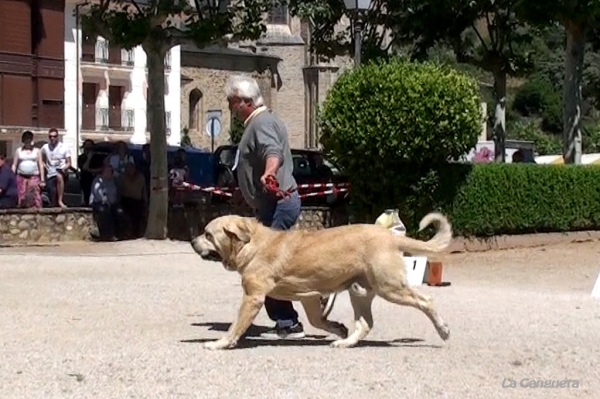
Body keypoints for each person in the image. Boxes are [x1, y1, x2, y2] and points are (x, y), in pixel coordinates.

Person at [225, 74, 333, 339]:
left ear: (245, 101)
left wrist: (269, 174)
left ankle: (288, 321)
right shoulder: (263, 120)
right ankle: (317, 293)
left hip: (280, 204)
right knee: (281, 264)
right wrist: (246, 193)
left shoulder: (261, 123)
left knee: (263, 265)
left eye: (232, 101)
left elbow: (272, 152)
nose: (230, 107)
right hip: (274, 204)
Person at [89, 164, 124, 241]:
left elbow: (115, 195)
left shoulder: (113, 181)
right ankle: (107, 235)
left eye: (110, 171)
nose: (109, 173)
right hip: (99, 202)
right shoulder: (98, 180)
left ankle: (119, 234)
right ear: (103, 172)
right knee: (104, 211)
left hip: (111, 203)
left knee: (119, 211)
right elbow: (98, 195)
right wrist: (107, 203)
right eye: (107, 171)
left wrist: (113, 203)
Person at [11, 130, 45, 208]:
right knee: (22, 194)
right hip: (21, 176)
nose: (28, 140)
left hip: (34, 176)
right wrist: (12, 176)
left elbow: (41, 165)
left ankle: (37, 210)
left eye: (29, 138)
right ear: (23, 140)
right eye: (26, 138)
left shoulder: (37, 151)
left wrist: (42, 179)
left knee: (35, 193)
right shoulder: (18, 151)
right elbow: (14, 165)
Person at [41, 128, 72, 208]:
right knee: (52, 190)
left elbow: (69, 162)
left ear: (57, 137)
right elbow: (40, 158)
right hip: (50, 172)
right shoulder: (45, 147)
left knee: (59, 176)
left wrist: (64, 168)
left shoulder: (64, 147)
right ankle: (52, 204)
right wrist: (44, 166)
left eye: (54, 136)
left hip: (61, 171)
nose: (52, 138)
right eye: (50, 136)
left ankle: (60, 201)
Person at [118, 162, 147, 238]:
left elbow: (144, 191)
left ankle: (136, 233)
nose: (130, 170)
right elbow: (119, 190)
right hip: (126, 200)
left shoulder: (141, 177)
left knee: (138, 212)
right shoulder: (122, 177)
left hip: (137, 200)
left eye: (132, 168)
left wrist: (145, 202)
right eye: (128, 168)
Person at [78, 139, 102, 206]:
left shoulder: (97, 157)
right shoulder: (81, 157)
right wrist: (89, 158)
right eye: (87, 146)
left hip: (95, 179)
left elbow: (100, 168)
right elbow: (84, 168)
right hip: (85, 179)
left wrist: (91, 170)